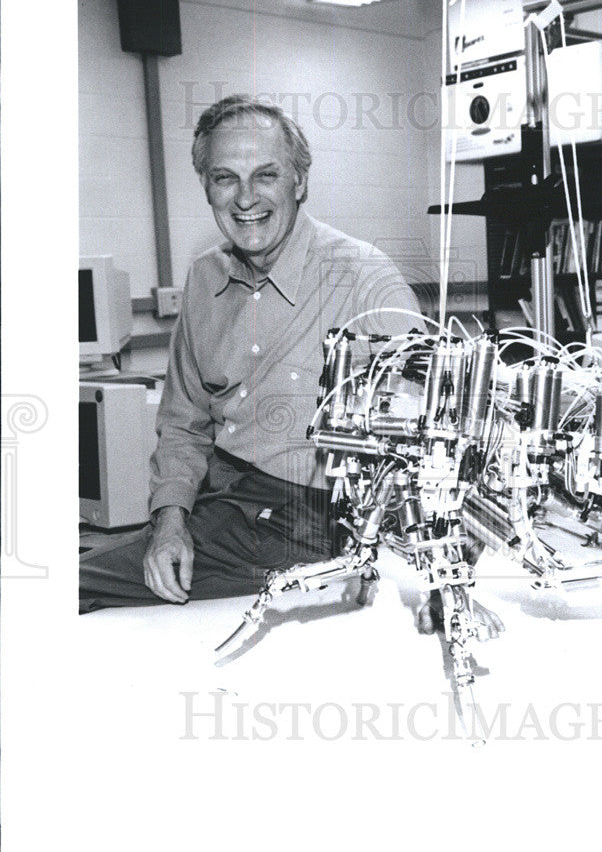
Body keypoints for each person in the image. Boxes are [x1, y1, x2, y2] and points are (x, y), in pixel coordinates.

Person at [79, 95, 422, 613]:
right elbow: (182, 423)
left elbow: (427, 434)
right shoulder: (203, 278)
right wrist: (169, 521)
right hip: (221, 499)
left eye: (265, 175)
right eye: (225, 178)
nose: (245, 198)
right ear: (206, 187)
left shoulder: (366, 279)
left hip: (310, 518)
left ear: (299, 182)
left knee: (66, 584)